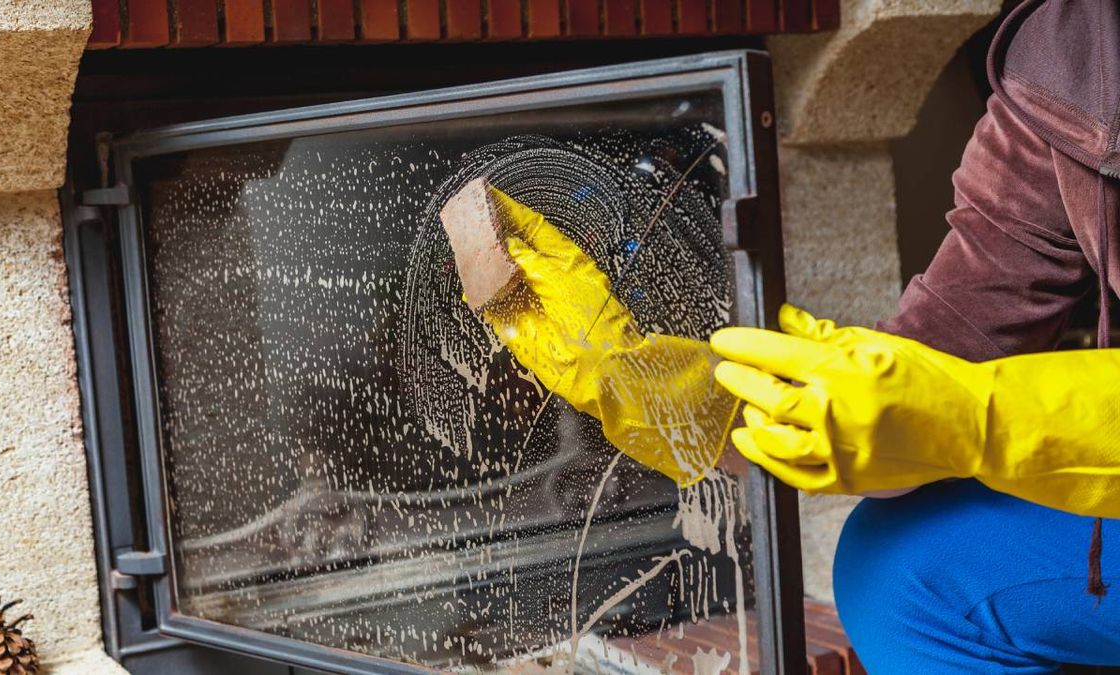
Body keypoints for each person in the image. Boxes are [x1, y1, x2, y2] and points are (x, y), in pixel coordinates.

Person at [461, 1, 1120, 670]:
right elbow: (950, 340)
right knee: (897, 572)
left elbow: (961, 401)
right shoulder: (1067, 53)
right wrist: (682, 400)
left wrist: (984, 418)